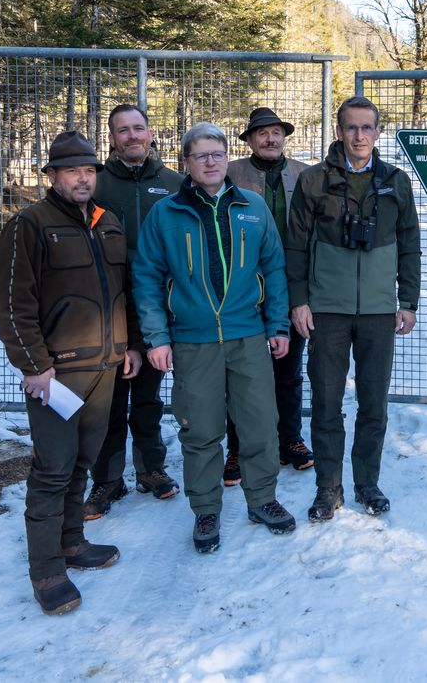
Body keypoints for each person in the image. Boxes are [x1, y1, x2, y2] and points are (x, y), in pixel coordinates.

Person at [0, 131, 143, 615]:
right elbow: (14, 306)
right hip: (56, 375)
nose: (83, 178)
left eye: (89, 171)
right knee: (53, 470)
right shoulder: (29, 225)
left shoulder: (108, 223)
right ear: (53, 177)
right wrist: (35, 366)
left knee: (82, 461)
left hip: (106, 366)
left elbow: (128, 291)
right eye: (72, 171)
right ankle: (46, 571)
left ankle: (73, 543)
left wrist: (132, 346)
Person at [133, 122, 294, 553]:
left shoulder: (253, 207)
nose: (210, 162)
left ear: (227, 159)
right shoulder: (166, 213)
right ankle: (206, 508)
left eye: (217, 154)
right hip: (192, 339)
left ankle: (263, 499)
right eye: (200, 155)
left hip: (247, 334)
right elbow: (147, 277)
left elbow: (274, 270)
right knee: (200, 429)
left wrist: (278, 325)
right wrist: (157, 337)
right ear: (186, 163)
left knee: (260, 424)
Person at [285, 95, 421, 522]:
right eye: (351, 127)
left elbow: (410, 244)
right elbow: (296, 246)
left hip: (380, 311)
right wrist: (299, 301)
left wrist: (408, 300)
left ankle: (367, 483)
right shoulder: (313, 181)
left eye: (367, 128)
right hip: (327, 310)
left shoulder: (396, 181)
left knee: (373, 402)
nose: (359, 136)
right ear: (339, 131)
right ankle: (328, 488)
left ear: (378, 133)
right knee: (326, 402)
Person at [84, 105, 183, 520]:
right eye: (122, 131)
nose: (132, 136)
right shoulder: (97, 186)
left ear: (150, 132)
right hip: (107, 311)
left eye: (138, 128)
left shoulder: (175, 183)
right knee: (108, 400)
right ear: (111, 139)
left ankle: (151, 468)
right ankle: (107, 479)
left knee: (147, 396)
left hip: (157, 310)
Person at [225, 107, 314, 480]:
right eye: (262, 133)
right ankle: (238, 448)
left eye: (276, 132)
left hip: (291, 285)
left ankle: (289, 438)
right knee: (238, 374)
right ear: (249, 139)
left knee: (289, 369)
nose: (271, 138)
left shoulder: (305, 175)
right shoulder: (230, 173)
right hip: (241, 286)